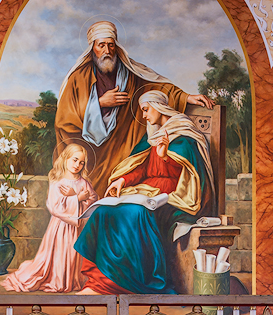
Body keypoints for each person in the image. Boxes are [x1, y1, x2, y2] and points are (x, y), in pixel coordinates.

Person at [75, 90, 215, 294]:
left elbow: (187, 175)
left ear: (159, 107)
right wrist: (122, 180)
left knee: (135, 214)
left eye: (146, 110)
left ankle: (128, 282)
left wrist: (166, 156)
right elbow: (140, 167)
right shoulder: (152, 135)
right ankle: (98, 280)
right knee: (103, 212)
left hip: (170, 197)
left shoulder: (185, 135)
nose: (144, 116)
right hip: (145, 190)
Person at [55, 20, 213, 195]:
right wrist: (99, 103)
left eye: (111, 45)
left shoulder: (130, 74)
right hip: (90, 152)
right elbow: (64, 119)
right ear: (92, 48)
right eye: (101, 45)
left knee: (118, 183)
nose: (107, 51)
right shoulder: (78, 78)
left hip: (121, 146)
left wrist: (185, 97)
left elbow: (156, 87)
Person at [1, 145, 98, 293]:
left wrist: (82, 199)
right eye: (75, 160)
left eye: (82, 163)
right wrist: (76, 197)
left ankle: (71, 281)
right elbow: (54, 206)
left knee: (74, 256)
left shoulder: (84, 182)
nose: (77, 165)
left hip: (77, 228)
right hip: (60, 227)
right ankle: (59, 280)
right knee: (60, 254)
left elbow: (93, 200)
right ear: (66, 158)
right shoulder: (57, 181)